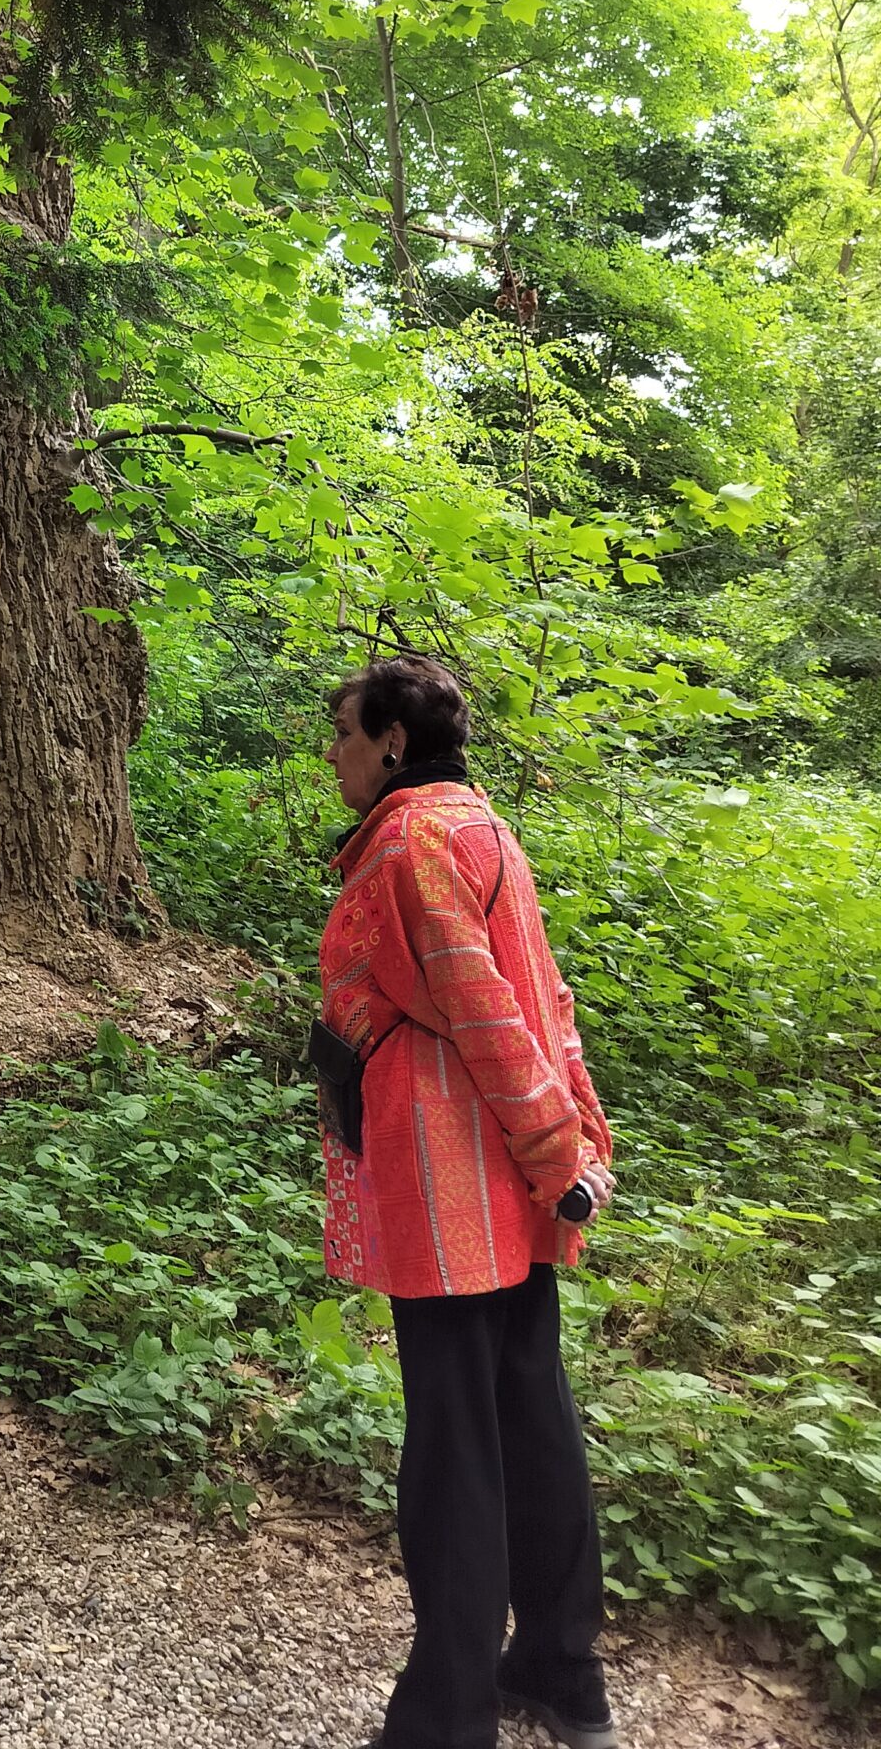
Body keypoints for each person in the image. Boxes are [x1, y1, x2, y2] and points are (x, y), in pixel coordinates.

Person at [317, 655, 619, 1749]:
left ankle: (446, 1718)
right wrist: (576, 1138)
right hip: (516, 1182)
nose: (335, 755)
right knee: (530, 1415)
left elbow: (492, 1014)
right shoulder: (482, 824)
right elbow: (551, 1000)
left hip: (450, 1183)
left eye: (346, 733)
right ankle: (559, 1669)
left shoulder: (408, 843)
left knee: (455, 1445)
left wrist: (559, 1149)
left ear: (395, 737)